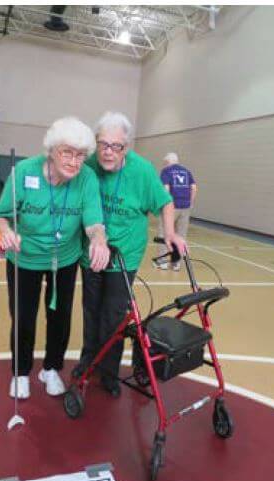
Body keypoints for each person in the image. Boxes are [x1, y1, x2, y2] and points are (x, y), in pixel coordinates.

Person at [0, 117, 109, 399]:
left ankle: (51, 369)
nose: (74, 161)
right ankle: (20, 373)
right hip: (25, 258)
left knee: (60, 316)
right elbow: (1, 216)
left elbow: (94, 220)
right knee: (23, 317)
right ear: (51, 151)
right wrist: (7, 232)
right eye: (67, 153)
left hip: (64, 259)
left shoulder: (87, 179)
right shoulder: (23, 172)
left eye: (81, 155)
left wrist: (99, 240)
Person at [74, 112, 186, 397]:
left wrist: (171, 233)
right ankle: (88, 361)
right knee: (91, 312)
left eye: (117, 146)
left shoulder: (143, 171)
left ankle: (109, 373)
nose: (109, 152)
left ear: (127, 147)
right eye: (103, 145)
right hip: (91, 254)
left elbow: (165, 201)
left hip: (125, 257)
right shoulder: (88, 166)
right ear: (96, 143)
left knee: (113, 317)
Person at [156, 152, 197, 271]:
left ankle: (162, 262)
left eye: (164, 163)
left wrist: (165, 205)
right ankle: (176, 263)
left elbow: (166, 188)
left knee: (164, 233)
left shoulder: (166, 171)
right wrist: (190, 202)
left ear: (167, 162)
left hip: (171, 207)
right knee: (181, 235)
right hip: (185, 207)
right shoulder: (186, 171)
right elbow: (194, 187)